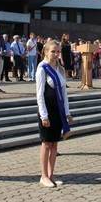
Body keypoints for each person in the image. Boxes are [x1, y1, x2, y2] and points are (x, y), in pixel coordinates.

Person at [36, 40, 73, 187]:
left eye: (58, 51)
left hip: (58, 111)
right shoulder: (42, 69)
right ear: (45, 52)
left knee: (55, 144)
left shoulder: (60, 69)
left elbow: (64, 94)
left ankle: (51, 175)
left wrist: (67, 112)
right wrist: (43, 115)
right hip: (47, 111)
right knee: (46, 143)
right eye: (53, 51)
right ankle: (43, 176)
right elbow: (39, 95)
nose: (56, 54)